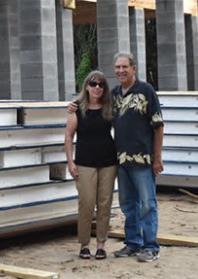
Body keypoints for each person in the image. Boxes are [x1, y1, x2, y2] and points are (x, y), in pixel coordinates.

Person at [68, 52, 164, 263]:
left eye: (125, 67)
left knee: (148, 203)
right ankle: (133, 244)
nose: (121, 71)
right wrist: (73, 105)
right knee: (128, 205)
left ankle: (151, 247)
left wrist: (157, 158)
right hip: (120, 160)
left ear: (133, 68)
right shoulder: (114, 95)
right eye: (117, 67)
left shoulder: (146, 91)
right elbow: (91, 99)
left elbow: (158, 126)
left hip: (143, 159)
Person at [65, 70, 118, 260]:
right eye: (93, 84)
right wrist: (70, 162)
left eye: (101, 85)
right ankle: (84, 245)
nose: (97, 88)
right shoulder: (76, 109)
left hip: (108, 163)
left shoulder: (110, 108)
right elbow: (69, 136)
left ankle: (101, 245)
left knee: (105, 204)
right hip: (84, 163)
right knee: (86, 203)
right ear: (87, 86)